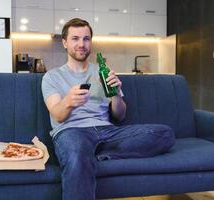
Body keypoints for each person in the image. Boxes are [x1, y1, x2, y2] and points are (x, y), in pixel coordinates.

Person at [41, 18, 175, 200]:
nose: (81, 44)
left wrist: (116, 95)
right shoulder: (52, 77)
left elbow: (120, 116)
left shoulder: (103, 72)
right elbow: (57, 116)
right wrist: (68, 102)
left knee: (164, 134)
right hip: (72, 131)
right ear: (65, 42)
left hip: (107, 133)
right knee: (77, 153)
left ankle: (96, 153)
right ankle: (87, 153)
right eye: (75, 38)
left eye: (86, 39)